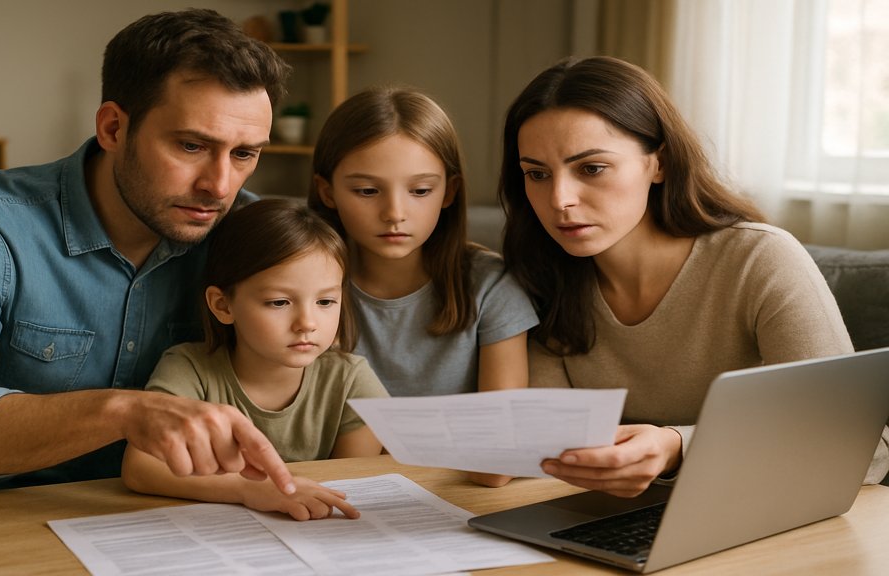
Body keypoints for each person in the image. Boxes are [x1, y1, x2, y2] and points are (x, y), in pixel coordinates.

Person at [0, 9, 297, 571]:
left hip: (166, 524)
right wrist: (123, 412)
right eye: (191, 146)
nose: (219, 184)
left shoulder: (253, 236)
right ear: (114, 127)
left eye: (244, 154)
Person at [497, 55, 889, 497]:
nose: (560, 199)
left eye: (591, 168)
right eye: (537, 174)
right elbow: (551, 446)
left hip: (761, 515)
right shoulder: (540, 274)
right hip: (611, 518)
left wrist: (677, 445)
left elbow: (861, 451)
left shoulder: (760, 259)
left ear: (658, 163)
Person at [307, 87, 539, 488]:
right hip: (334, 498)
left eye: (420, 191)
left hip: (460, 501)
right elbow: (300, 447)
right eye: (366, 190)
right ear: (328, 192)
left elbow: (499, 458)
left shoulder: (492, 287)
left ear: (448, 192)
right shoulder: (299, 290)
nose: (395, 213)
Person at [122, 199, 387, 521]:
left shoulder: (351, 379)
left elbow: (349, 483)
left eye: (326, 301)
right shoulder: (189, 368)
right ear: (223, 305)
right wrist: (249, 490)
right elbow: (141, 467)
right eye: (279, 302)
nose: (308, 322)